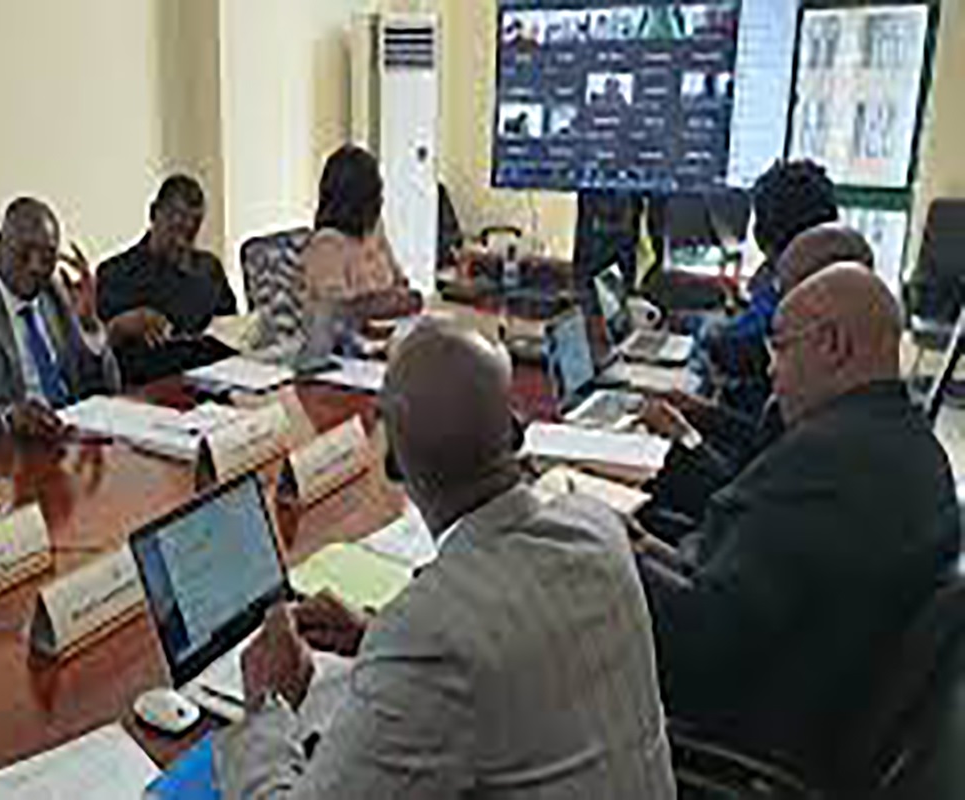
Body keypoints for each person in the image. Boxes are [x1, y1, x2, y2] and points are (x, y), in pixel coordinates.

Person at [217, 323, 675, 798]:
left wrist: (266, 704)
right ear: (516, 428)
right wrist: (375, 638)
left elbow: (460, 651)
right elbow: (521, 659)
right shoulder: (598, 527)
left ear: (394, 461)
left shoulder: (433, 633)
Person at [638, 265, 960, 780]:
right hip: (817, 704)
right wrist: (648, 551)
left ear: (831, 344)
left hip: (739, 739)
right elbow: (748, 584)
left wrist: (607, 554)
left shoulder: (823, 464)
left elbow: (699, 647)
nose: (771, 370)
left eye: (780, 347)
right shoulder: (913, 449)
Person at [639, 223, 875, 527]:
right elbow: (764, 443)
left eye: (786, 292)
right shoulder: (854, 391)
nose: (770, 367)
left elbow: (739, 510)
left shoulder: (828, 436)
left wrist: (685, 438)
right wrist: (704, 412)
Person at [0, 197, 120, 448]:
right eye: (24, 252)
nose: (35, 266)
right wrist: (11, 419)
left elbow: (108, 389)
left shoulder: (56, 294)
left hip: (69, 445)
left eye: (47, 256)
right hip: (11, 456)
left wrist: (90, 326)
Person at [696, 160, 838, 420]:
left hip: (754, 424)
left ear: (763, 235)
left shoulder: (788, 289)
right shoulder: (837, 279)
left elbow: (731, 347)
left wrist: (694, 326)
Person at [96, 175, 238, 385]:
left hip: (214, 383)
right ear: (154, 213)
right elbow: (96, 354)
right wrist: (122, 325)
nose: (181, 244)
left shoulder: (209, 269)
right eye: (175, 228)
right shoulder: (116, 274)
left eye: (191, 232)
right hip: (149, 388)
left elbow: (232, 332)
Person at [292, 144, 422, 360]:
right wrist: (384, 303)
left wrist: (395, 299)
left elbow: (400, 285)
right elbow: (339, 316)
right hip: (347, 356)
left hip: (389, 339)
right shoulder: (326, 246)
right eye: (375, 190)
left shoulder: (374, 229)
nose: (381, 197)